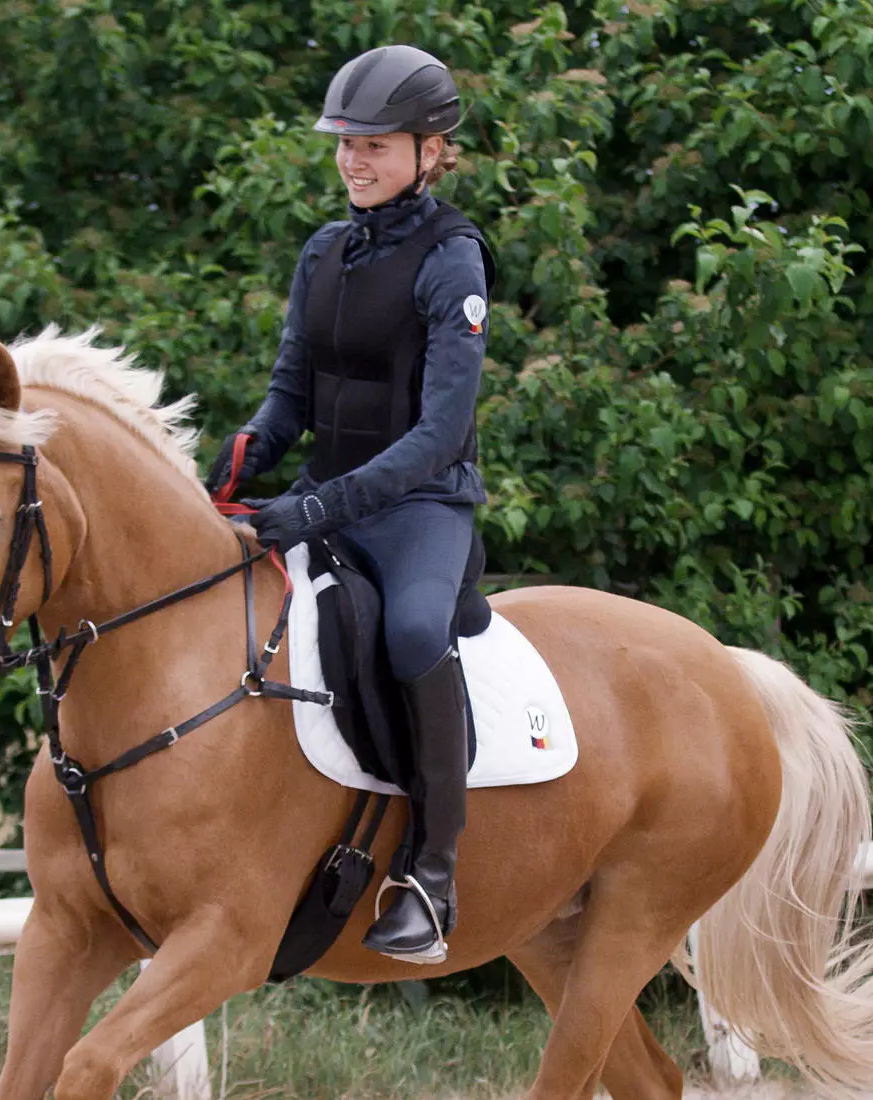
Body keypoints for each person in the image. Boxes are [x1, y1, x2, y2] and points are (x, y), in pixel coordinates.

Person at [206, 44, 495, 965]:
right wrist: (234, 464)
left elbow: (438, 435)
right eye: (345, 144)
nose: (353, 160)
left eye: (374, 145)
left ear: (430, 150)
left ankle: (433, 875)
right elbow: (290, 396)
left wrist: (318, 508)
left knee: (410, 634)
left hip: (421, 507)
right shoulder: (324, 251)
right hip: (326, 496)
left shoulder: (454, 261)